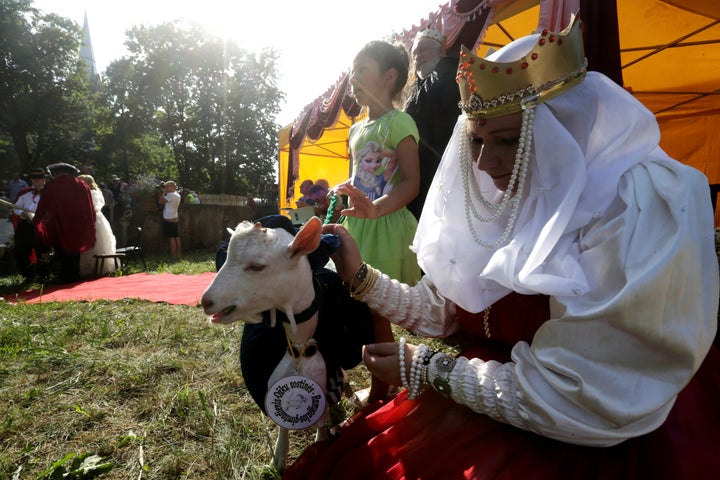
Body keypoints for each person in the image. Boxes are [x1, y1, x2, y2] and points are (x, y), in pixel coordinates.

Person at [283, 17, 720, 479]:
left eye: (509, 140)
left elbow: (586, 395)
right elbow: (449, 312)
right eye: (475, 141)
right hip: (501, 396)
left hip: (590, 431)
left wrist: (434, 371)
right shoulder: (498, 200)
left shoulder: (633, 206)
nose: (484, 163)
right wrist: (359, 274)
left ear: (566, 132)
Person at [336, 40, 422, 403]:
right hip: (359, 226)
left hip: (386, 226)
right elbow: (358, 180)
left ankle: (383, 387)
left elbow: (411, 182)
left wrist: (377, 209)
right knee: (361, 305)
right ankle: (381, 377)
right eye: (352, 71)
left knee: (377, 310)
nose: (353, 77)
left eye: (362, 69)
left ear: (389, 77)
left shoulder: (400, 122)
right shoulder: (355, 131)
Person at [404, 28, 461, 220]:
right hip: (422, 174)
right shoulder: (416, 86)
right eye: (414, 54)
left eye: (422, 51)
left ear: (441, 52)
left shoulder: (450, 67)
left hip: (447, 168)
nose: (417, 57)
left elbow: (435, 92)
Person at [33, 163, 96, 283]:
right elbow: (89, 205)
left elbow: (43, 205)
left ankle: (65, 276)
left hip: (58, 224)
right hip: (78, 224)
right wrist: (90, 221)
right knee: (75, 251)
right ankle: (75, 276)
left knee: (61, 251)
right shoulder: (81, 184)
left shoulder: (51, 185)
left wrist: (36, 220)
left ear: (56, 173)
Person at [78, 175, 118, 278]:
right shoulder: (92, 192)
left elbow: (93, 206)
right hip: (92, 217)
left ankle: (100, 266)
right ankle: (89, 267)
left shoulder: (92, 192)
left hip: (95, 218)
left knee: (99, 241)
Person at [11, 167, 47, 279]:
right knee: (20, 250)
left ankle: (44, 275)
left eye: (39, 178)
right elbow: (15, 208)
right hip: (26, 224)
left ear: (44, 179)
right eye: (34, 178)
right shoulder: (24, 193)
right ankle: (28, 276)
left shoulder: (49, 193)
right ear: (31, 179)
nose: (36, 180)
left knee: (42, 250)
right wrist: (23, 213)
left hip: (43, 225)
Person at [158, 180, 181, 258]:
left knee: (171, 238)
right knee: (176, 237)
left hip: (169, 218)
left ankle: (173, 256)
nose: (166, 188)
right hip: (174, 217)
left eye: (167, 186)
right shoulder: (177, 195)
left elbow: (160, 201)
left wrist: (163, 192)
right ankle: (178, 254)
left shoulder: (170, 195)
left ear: (173, 187)